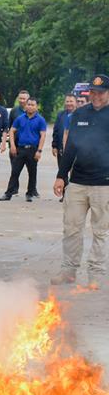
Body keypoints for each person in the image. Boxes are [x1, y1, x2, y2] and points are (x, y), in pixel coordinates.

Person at [52, 74, 109, 287]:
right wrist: (61, 175)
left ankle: (95, 273)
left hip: (104, 184)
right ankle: (69, 270)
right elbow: (71, 148)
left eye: (100, 93)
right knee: (71, 228)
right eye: (92, 93)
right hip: (77, 182)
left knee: (100, 231)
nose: (95, 96)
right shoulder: (79, 114)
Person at [0, 97, 47, 202]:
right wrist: (13, 146)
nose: (30, 106)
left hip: (33, 150)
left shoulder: (40, 120)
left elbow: (43, 136)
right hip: (20, 149)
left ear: (37, 107)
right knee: (15, 172)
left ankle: (30, 193)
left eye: (32, 105)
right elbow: (11, 131)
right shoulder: (20, 118)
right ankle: (8, 194)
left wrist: (39, 151)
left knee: (32, 173)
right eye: (28, 104)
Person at [52, 94, 76, 170]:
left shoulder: (80, 114)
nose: (69, 103)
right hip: (62, 149)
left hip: (76, 149)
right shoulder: (60, 115)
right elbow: (56, 131)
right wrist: (54, 146)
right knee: (62, 172)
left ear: (75, 102)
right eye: (67, 101)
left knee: (75, 173)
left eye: (71, 101)